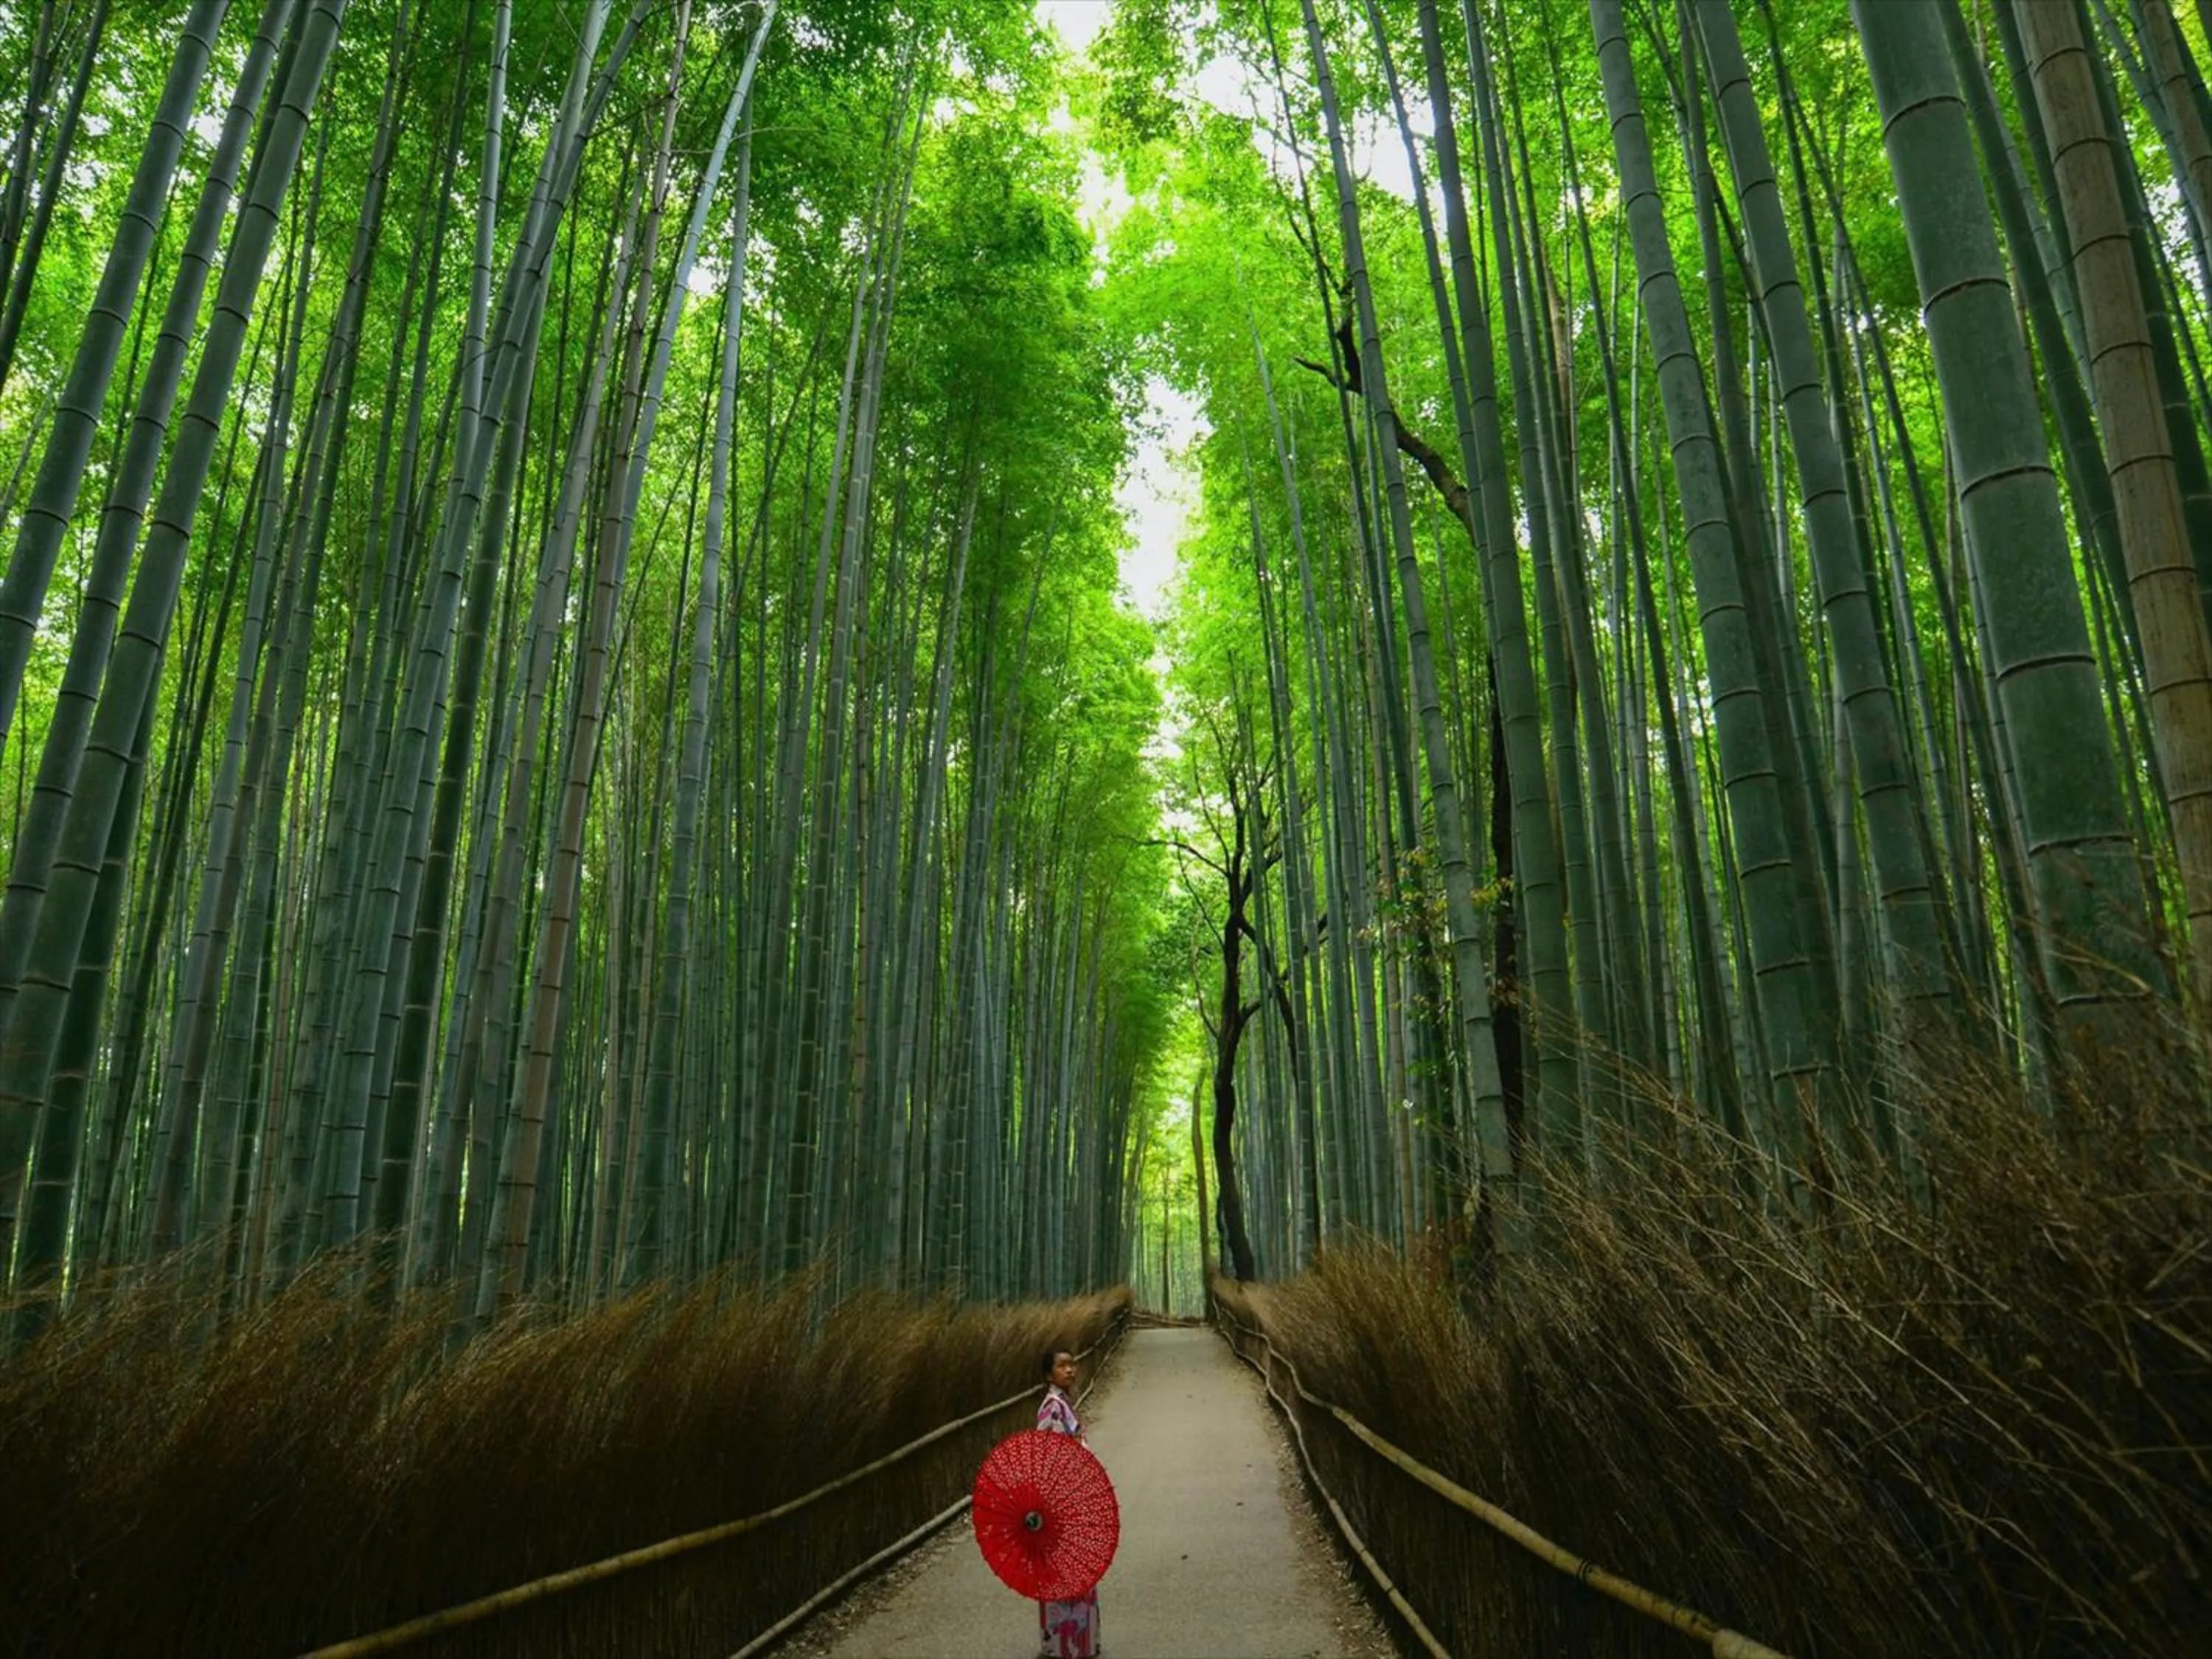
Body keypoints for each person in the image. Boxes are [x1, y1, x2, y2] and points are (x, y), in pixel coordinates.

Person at [1035, 1347, 1100, 1659]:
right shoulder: (1052, 1408)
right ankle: (1066, 1645)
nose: (1070, 1370)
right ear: (1049, 1375)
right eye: (1062, 1366)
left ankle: (1077, 1643)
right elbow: (1052, 1458)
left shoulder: (1063, 1403)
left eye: (1072, 1365)